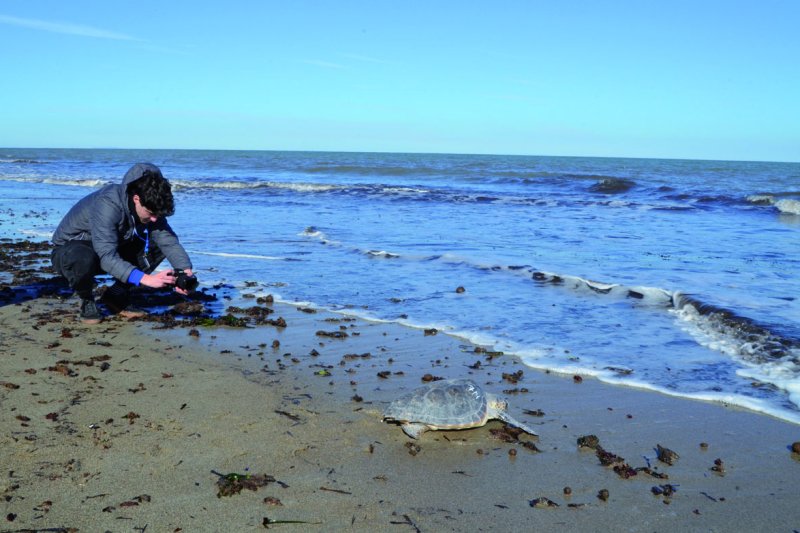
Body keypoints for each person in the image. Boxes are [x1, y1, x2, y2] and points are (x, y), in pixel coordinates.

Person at [51, 162, 194, 324]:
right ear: (136, 199)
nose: (155, 219)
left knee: (158, 245)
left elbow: (167, 240)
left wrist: (185, 271)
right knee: (83, 258)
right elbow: (106, 255)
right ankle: (87, 300)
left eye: (158, 214)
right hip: (70, 252)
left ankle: (115, 295)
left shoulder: (150, 200)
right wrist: (146, 279)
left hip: (108, 247)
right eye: (151, 213)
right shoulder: (108, 204)